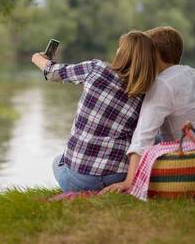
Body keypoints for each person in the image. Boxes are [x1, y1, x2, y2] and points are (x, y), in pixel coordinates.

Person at [101, 26, 195, 194]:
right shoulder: (194, 73)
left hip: (189, 162)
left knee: (135, 140)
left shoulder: (162, 84)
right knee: (158, 137)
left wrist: (130, 182)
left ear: (155, 54)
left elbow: (142, 137)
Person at [31, 31, 158, 192]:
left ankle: (81, 189)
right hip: (118, 176)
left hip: (78, 181)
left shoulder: (97, 69)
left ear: (122, 53)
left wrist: (37, 58)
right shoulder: (147, 93)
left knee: (57, 161)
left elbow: (53, 73)